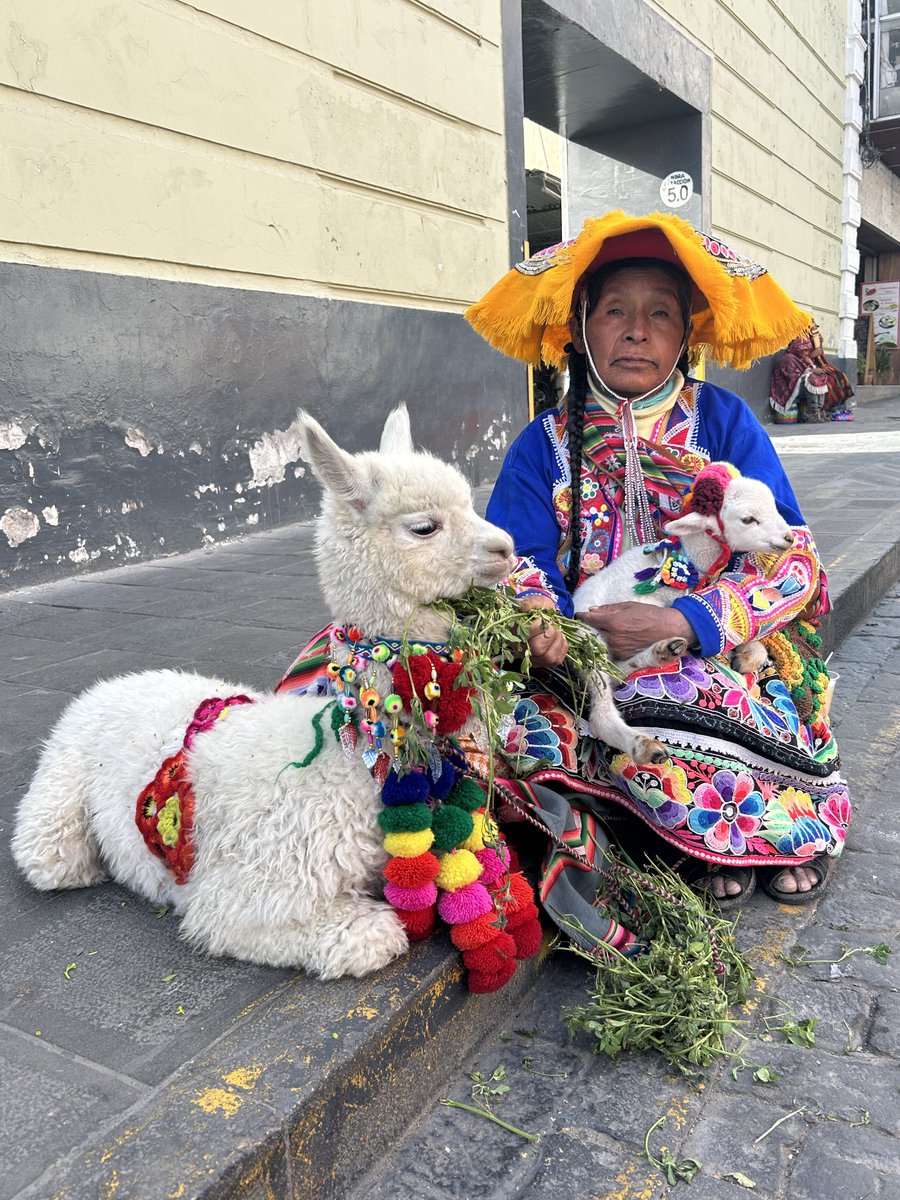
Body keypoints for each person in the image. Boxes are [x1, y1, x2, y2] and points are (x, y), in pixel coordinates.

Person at [465, 211, 850, 925]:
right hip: (590, 655)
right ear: (582, 327)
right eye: (615, 310)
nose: (636, 330)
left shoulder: (723, 423)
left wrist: (684, 620)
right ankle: (687, 832)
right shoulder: (544, 444)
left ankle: (752, 828)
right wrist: (548, 624)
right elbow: (515, 560)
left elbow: (793, 557)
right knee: (515, 729)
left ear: (684, 335)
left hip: (717, 647)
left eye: (659, 314)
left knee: (701, 693)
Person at [769, 325, 855, 424]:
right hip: (787, 388)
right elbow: (793, 377)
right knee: (814, 380)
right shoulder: (788, 359)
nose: (806, 353)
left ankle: (819, 411)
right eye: (804, 350)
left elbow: (808, 369)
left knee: (825, 378)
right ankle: (812, 412)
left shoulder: (803, 358)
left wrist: (812, 367)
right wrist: (811, 371)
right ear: (798, 349)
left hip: (800, 382)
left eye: (807, 350)